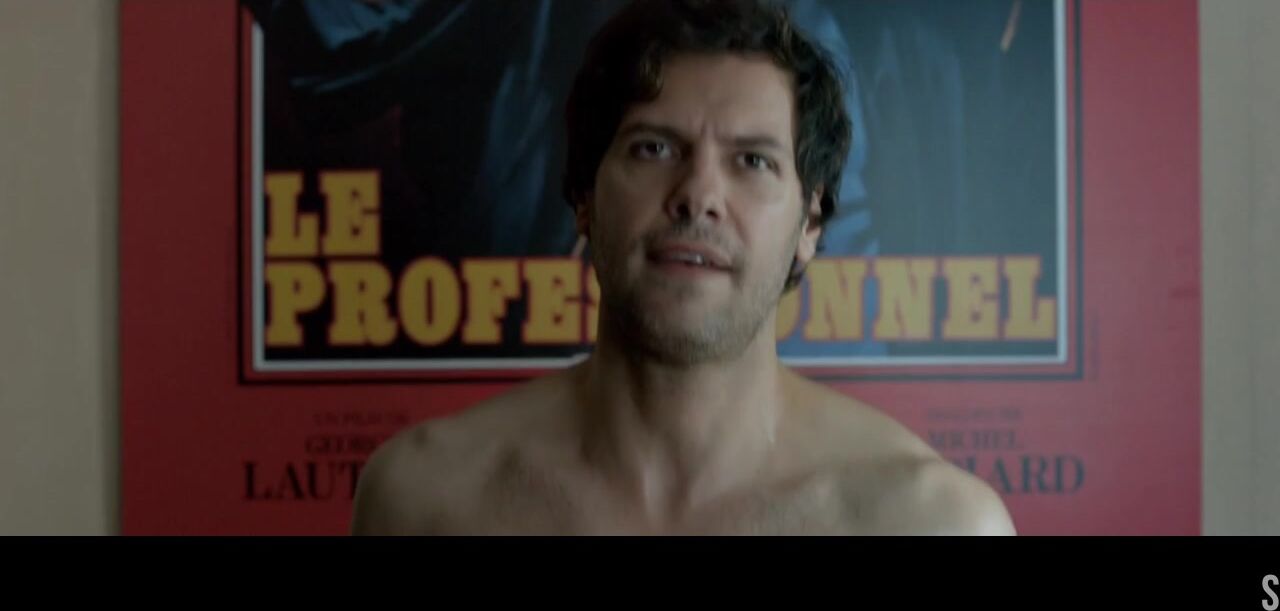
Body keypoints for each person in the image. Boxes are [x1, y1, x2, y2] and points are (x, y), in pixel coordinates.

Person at [350, 0, 1015, 535]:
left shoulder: (932, 521)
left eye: (752, 161)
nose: (698, 194)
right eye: (654, 148)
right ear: (583, 197)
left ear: (810, 224)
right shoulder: (424, 500)